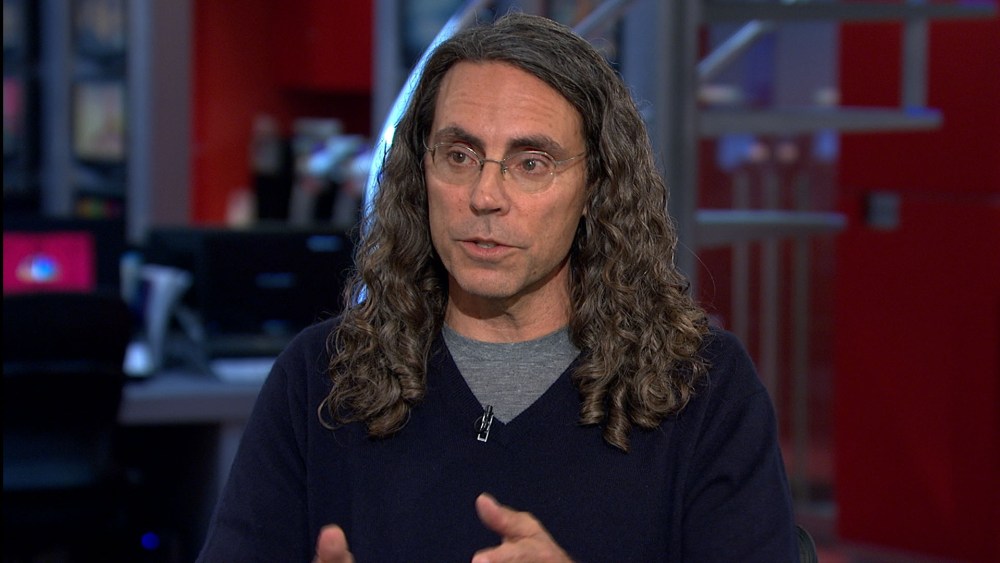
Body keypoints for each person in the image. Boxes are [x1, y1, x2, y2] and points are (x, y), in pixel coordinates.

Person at [197, 12, 798, 562]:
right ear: (421, 172)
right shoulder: (320, 379)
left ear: (596, 187)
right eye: (459, 156)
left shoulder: (704, 389)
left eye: (531, 162)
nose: (484, 196)